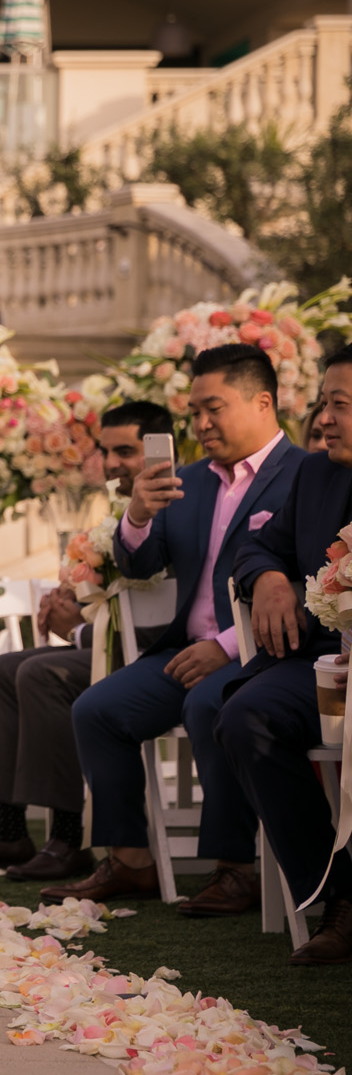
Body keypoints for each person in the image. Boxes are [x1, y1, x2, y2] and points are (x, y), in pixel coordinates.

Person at [46, 345, 298, 906]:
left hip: (262, 653)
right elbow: (140, 564)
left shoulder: (305, 474)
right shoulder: (187, 480)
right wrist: (137, 515)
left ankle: (236, 867)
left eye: (214, 408)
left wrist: (229, 646)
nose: (201, 424)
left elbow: (307, 582)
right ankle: (130, 861)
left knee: (207, 704)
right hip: (183, 649)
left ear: (262, 402)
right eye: (194, 412)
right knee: (97, 709)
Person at [0, 402, 168, 878]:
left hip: (149, 658)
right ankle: (9, 830)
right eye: (107, 451)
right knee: (0, 668)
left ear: (159, 452)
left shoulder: (173, 508)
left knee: (42, 673)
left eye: (127, 452)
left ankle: (67, 837)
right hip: (104, 645)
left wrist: (77, 627)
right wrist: (76, 605)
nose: (114, 463)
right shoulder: (118, 510)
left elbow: (165, 613)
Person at [222, 347, 352, 963]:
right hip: (321, 663)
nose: (323, 420)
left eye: (340, 406)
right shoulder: (315, 473)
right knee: (246, 714)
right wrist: (269, 577)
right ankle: (336, 895)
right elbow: (254, 548)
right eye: (324, 404)